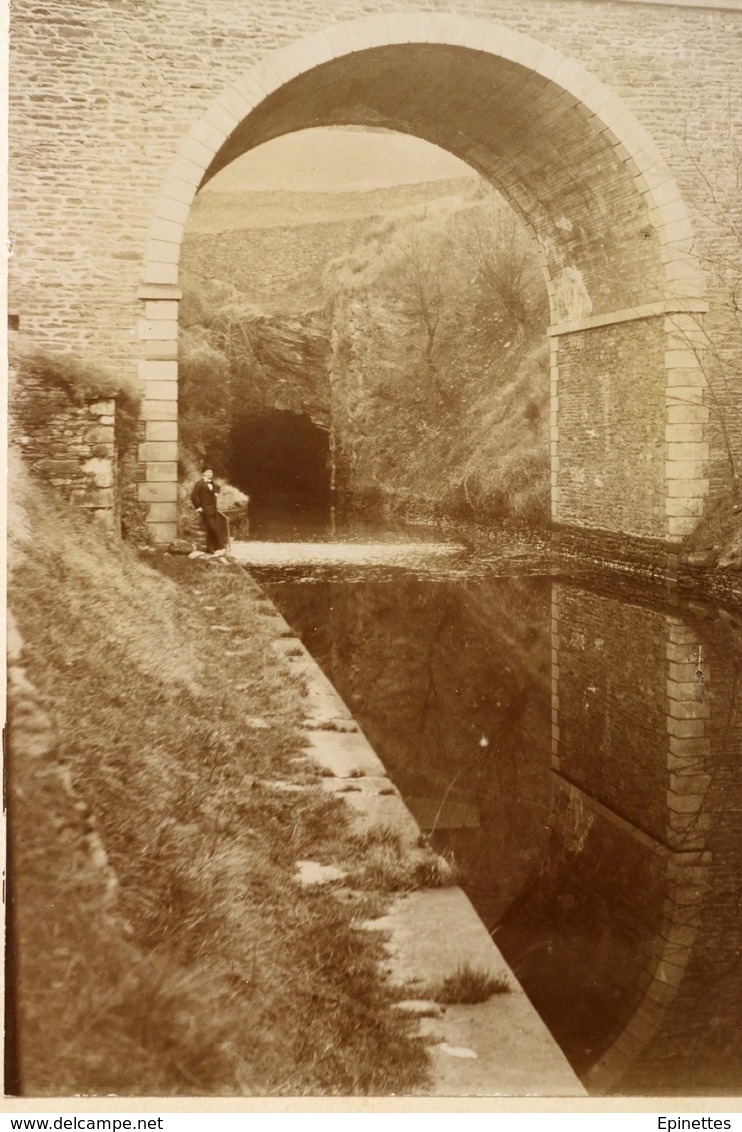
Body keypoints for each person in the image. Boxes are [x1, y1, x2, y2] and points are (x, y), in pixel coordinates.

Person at [190, 467, 227, 556]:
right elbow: (193, 496)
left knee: (211, 529)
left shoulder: (212, 483)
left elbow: (217, 487)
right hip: (206, 510)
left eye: (211, 472)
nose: (210, 474)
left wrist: (216, 493)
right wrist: (199, 507)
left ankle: (210, 548)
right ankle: (221, 547)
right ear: (203, 473)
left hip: (213, 510)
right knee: (214, 527)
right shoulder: (200, 483)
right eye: (207, 472)